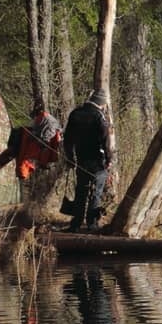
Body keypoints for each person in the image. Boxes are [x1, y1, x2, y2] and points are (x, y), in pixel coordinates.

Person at [62, 90, 111, 231]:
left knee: (81, 192)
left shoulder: (75, 113)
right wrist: (109, 159)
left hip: (81, 159)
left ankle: (76, 224)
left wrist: (70, 158)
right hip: (97, 161)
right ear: (101, 103)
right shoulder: (99, 116)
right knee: (96, 192)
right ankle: (92, 224)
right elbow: (105, 139)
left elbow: (68, 140)